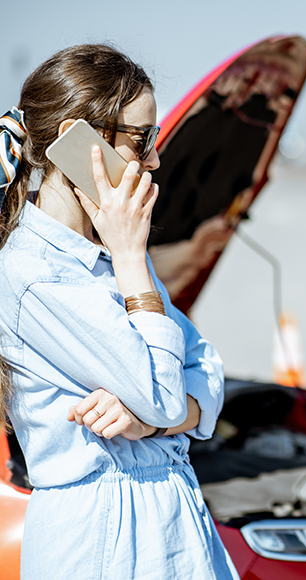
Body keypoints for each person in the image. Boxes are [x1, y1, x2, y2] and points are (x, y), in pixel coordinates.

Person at [0, 45, 239, 579]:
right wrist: (133, 259)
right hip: (104, 539)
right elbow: (164, 392)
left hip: (171, 522)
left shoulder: (111, 251)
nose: (154, 160)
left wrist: (153, 425)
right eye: (141, 140)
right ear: (76, 140)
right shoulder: (32, 275)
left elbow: (208, 371)